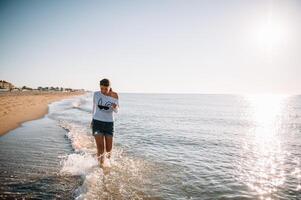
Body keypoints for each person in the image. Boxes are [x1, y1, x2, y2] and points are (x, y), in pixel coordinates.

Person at [91, 78, 119, 166]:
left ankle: (107, 166)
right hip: (97, 123)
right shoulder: (96, 94)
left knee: (108, 150)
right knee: (100, 149)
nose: (103, 91)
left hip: (109, 124)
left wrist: (115, 107)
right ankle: (100, 167)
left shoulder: (114, 95)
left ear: (109, 87)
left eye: (105, 89)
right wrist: (92, 120)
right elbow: (94, 108)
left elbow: (117, 111)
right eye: (101, 88)